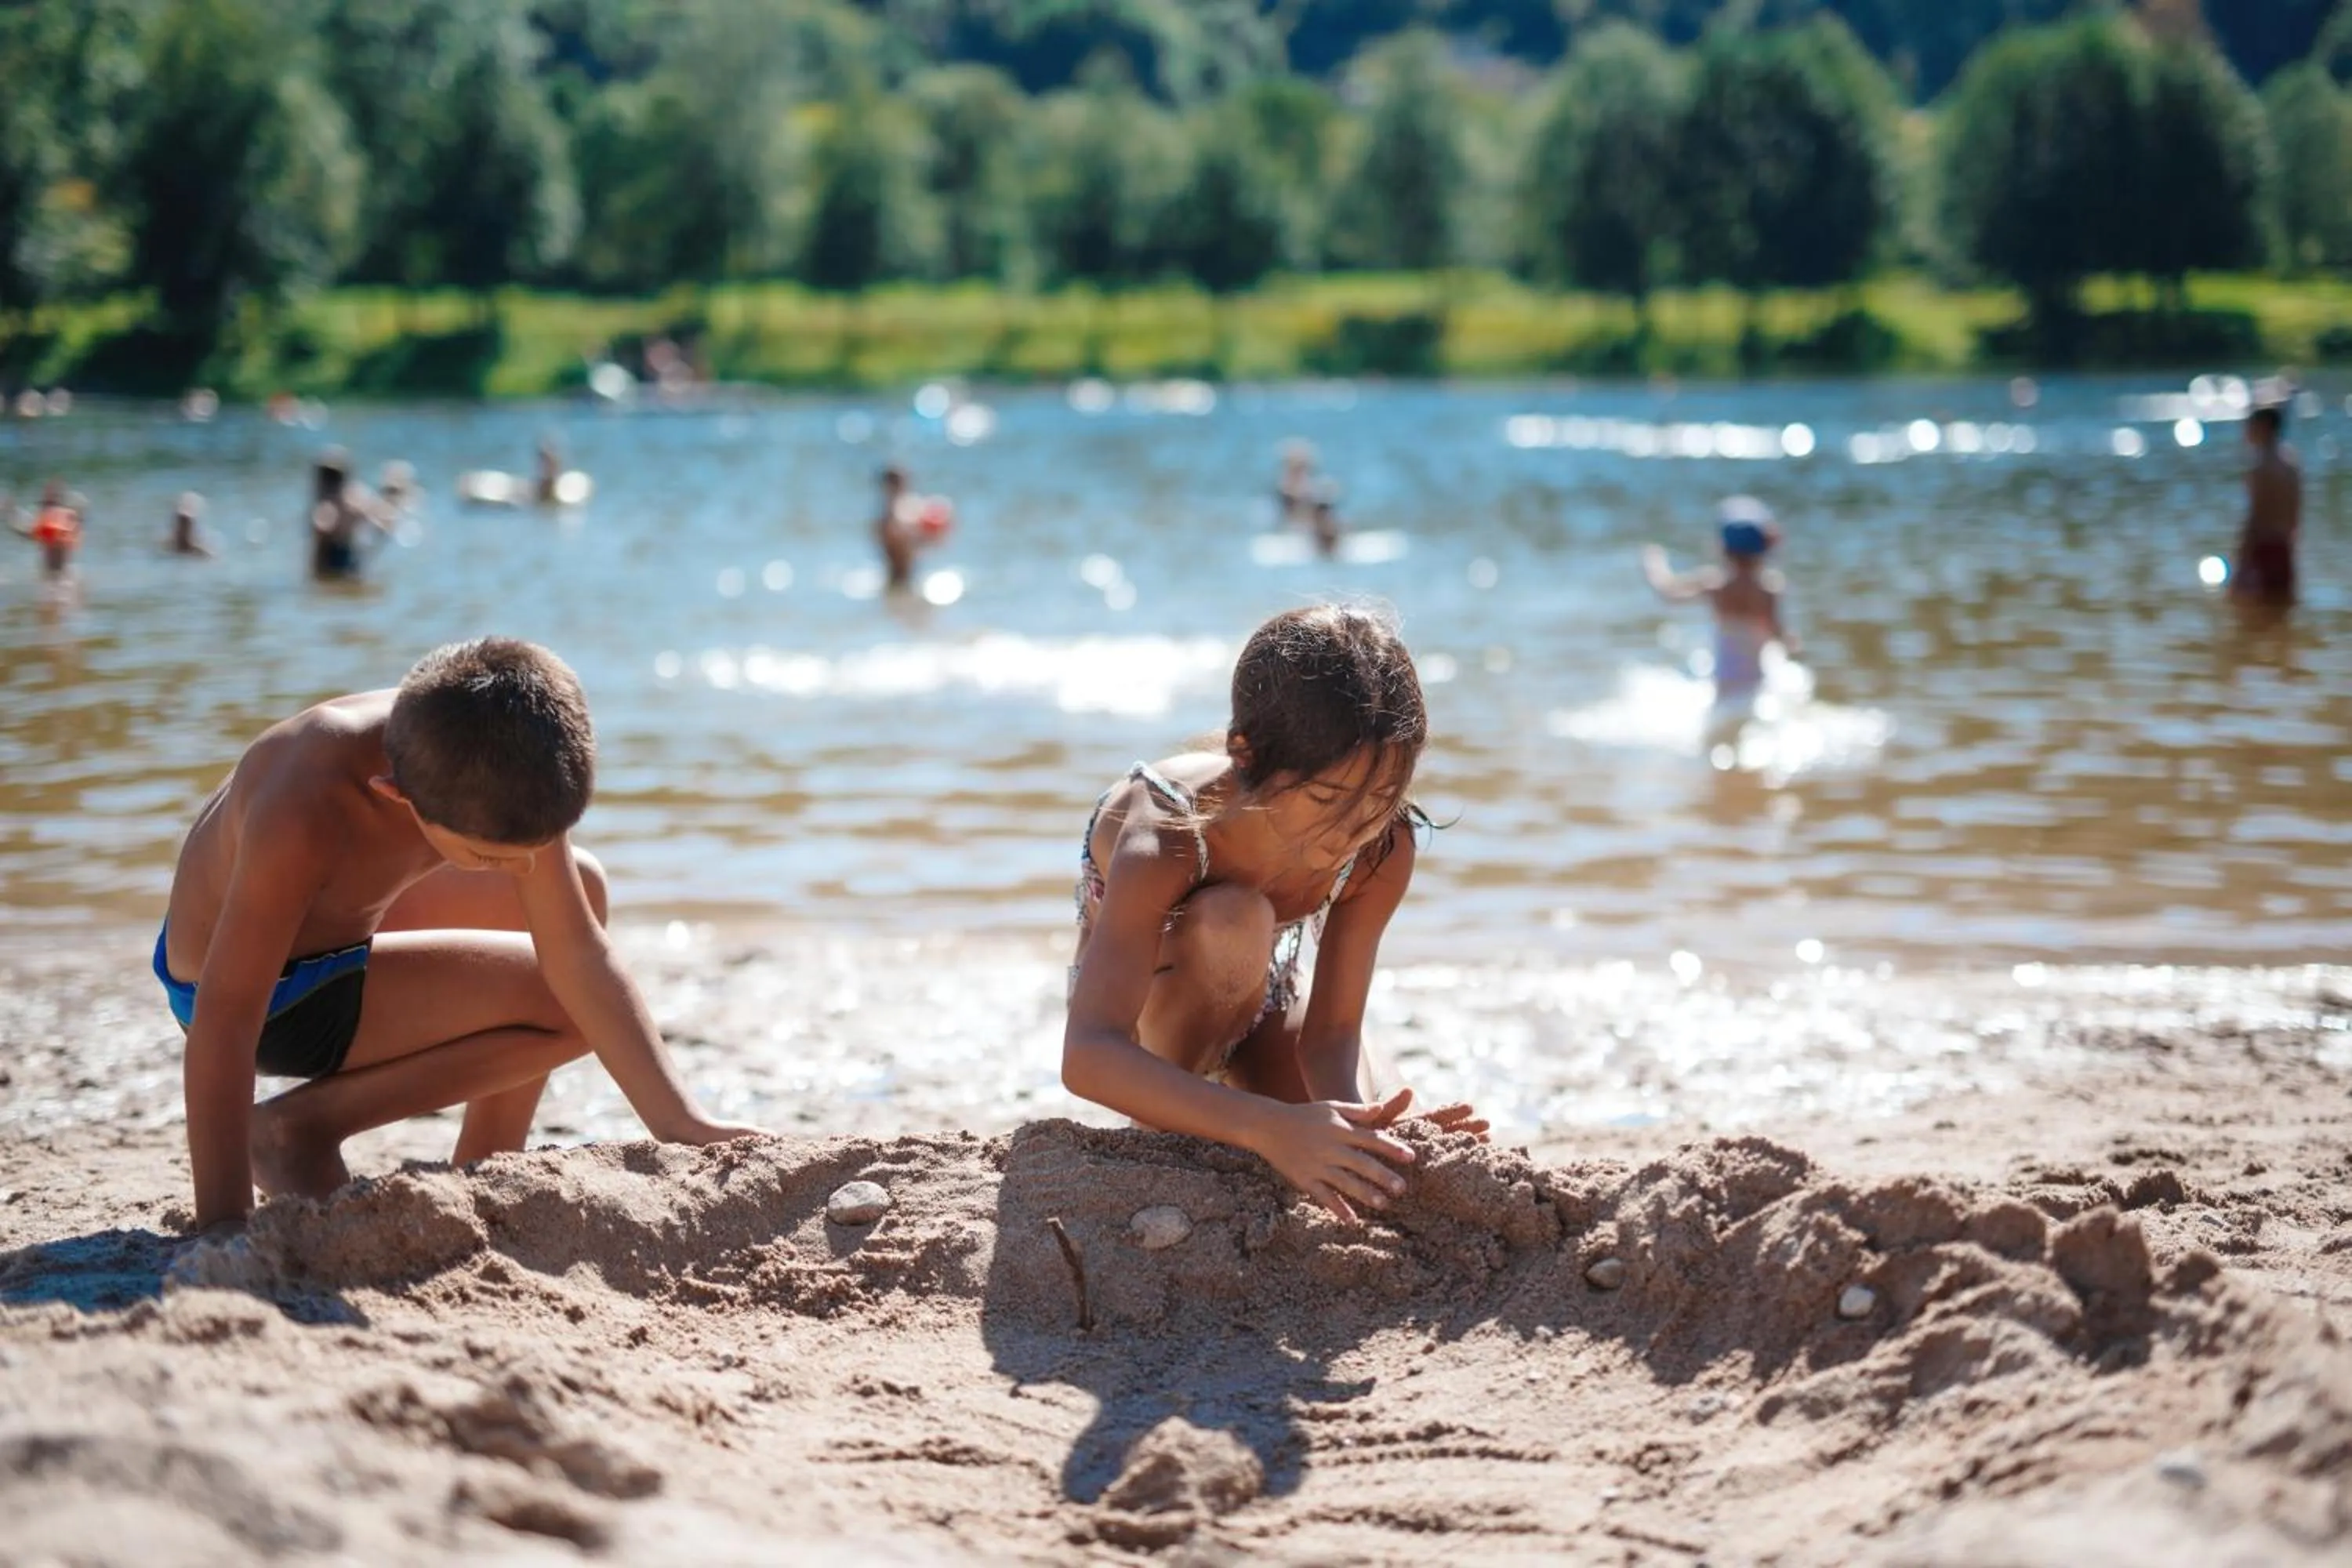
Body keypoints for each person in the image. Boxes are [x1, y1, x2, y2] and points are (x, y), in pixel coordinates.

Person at [156, 637, 768, 1234]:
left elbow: (576, 951)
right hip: (268, 996)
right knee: (568, 1008)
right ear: (397, 794)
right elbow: (226, 1018)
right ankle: (295, 1134)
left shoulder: (489, 743)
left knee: (581, 886)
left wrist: (684, 1125)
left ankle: (484, 1169)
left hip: (335, 925)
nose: (519, 870)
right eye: (484, 855)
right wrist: (223, 1221)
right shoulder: (305, 808)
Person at [1062, 604, 1487, 1224]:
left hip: (1264, 999)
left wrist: (1357, 1128)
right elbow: (1089, 1054)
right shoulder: (1167, 833)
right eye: (1326, 798)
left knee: (1384, 1139)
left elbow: (1334, 1034)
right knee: (1236, 916)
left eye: (1382, 796)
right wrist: (1271, 1128)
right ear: (1246, 752)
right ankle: (1165, 1129)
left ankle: (1245, 1115)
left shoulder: (1382, 845)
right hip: (1149, 1030)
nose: (1354, 827)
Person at [1642, 496, 1798, 704]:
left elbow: (1669, 593)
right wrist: (1793, 643)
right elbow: (1777, 633)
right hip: (1754, 678)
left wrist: (1654, 564)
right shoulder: (1768, 590)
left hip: (1723, 678)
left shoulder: (1715, 584)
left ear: (1723, 547)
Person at [2230, 404, 2301, 607]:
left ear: (2263, 428)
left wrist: (2242, 561)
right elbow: (2295, 515)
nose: (2246, 431)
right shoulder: (2290, 463)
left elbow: (2256, 516)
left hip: (2262, 548)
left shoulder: (2260, 466)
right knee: (2281, 609)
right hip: (2284, 547)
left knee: (2251, 612)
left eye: (2250, 425)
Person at [310, 449, 394, 581]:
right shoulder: (356, 496)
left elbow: (321, 529)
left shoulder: (327, 502)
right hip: (352, 554)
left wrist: (314, 569)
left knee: (331, 587)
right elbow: (383, 521)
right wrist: (373, 546)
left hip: (333, 556)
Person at [12, 481, 83, 583]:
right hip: (52, 575)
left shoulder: (63, 522)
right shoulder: (48, 524)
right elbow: (29, 533)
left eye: (48, 504)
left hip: (63, 576)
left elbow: (31, 533)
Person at [167, 492, 215, 557]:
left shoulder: (204, 556)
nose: (182, 527)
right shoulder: (164, 548)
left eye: (187, 522)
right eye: (180, 521)